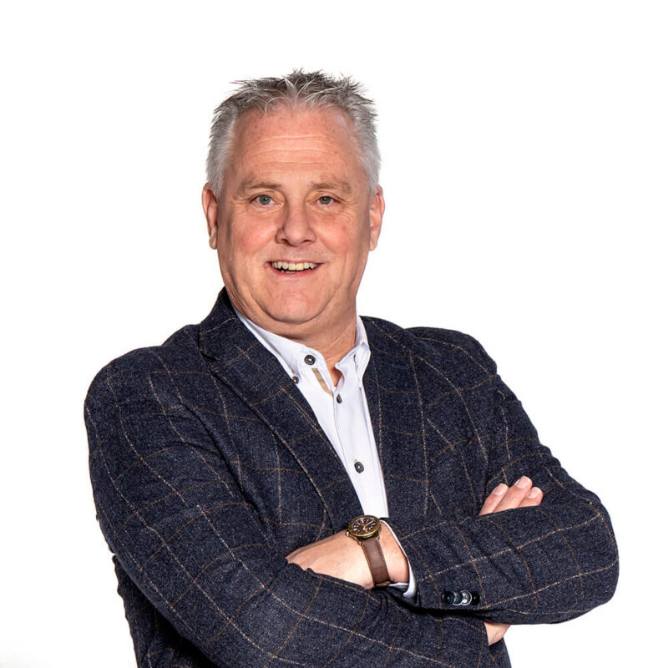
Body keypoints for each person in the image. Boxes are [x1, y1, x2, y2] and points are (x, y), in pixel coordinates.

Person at [84, 70, 618, 668]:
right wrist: (475, 628)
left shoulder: (451, 372)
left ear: (372, 217)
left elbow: (586, 550)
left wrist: (377, 551)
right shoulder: (147, 396)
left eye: (326, 199)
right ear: (213, 216)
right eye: (263, 198)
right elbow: (264, 630)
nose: (295, 231)